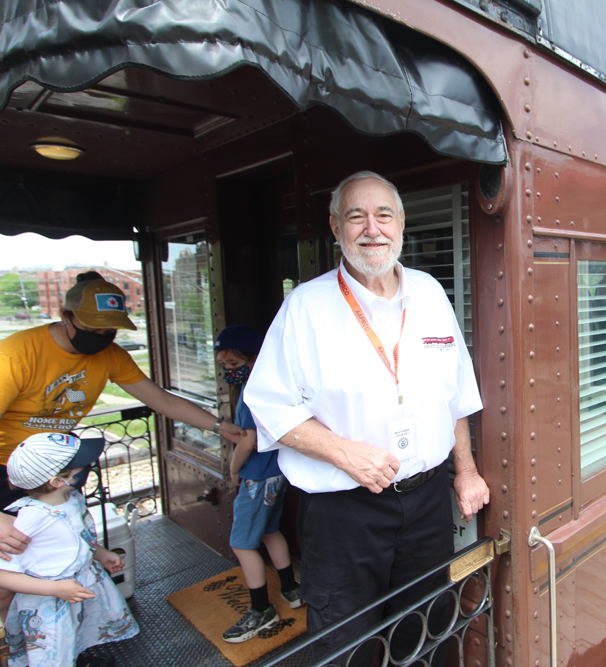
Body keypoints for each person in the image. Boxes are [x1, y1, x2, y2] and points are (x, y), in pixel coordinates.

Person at [244, 171, 489, 665]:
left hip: (425, 503)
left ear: (401, 223)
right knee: (344, 643)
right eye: (356, 216)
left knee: (427, 628)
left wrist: (465, 470)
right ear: (335, 228)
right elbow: (267, 405)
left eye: (384, 215)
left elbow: (454, 391)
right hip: (342, 512)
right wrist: (343, 452)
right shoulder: (304, 307)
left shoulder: (430, 293)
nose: (371, 228)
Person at [0, 271, 245, 614]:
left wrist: (220, 426)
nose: (101, 338)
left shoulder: (111, 355)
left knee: (60, 559)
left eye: (109, 330)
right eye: (91, 329)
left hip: (57, 471)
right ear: (65, 316)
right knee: (8, 578)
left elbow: (163, 401)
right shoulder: (16, 354)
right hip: (10, 472)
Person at [0, 432, 138, 666]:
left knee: (75, 635)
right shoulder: (30, 519)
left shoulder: (72, 496)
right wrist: (55, 588)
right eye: (79, 465)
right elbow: (4, 575)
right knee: (52, 653)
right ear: (56, 480)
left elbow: (77, 535)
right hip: (48, 600)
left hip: (75, 587)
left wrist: (100, 553)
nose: (88, 466)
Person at [214, 325, 301, 644]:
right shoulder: (270, 383)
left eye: (234, 365)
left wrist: (233, 468)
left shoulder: (251, 393)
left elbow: (247, 440)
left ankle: (261, 609)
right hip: (276, 474)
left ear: (254, 359)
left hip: (256, 479)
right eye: (224, 366)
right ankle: (291, 589)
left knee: (242, 543)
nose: (229, 372)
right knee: (269, 530)